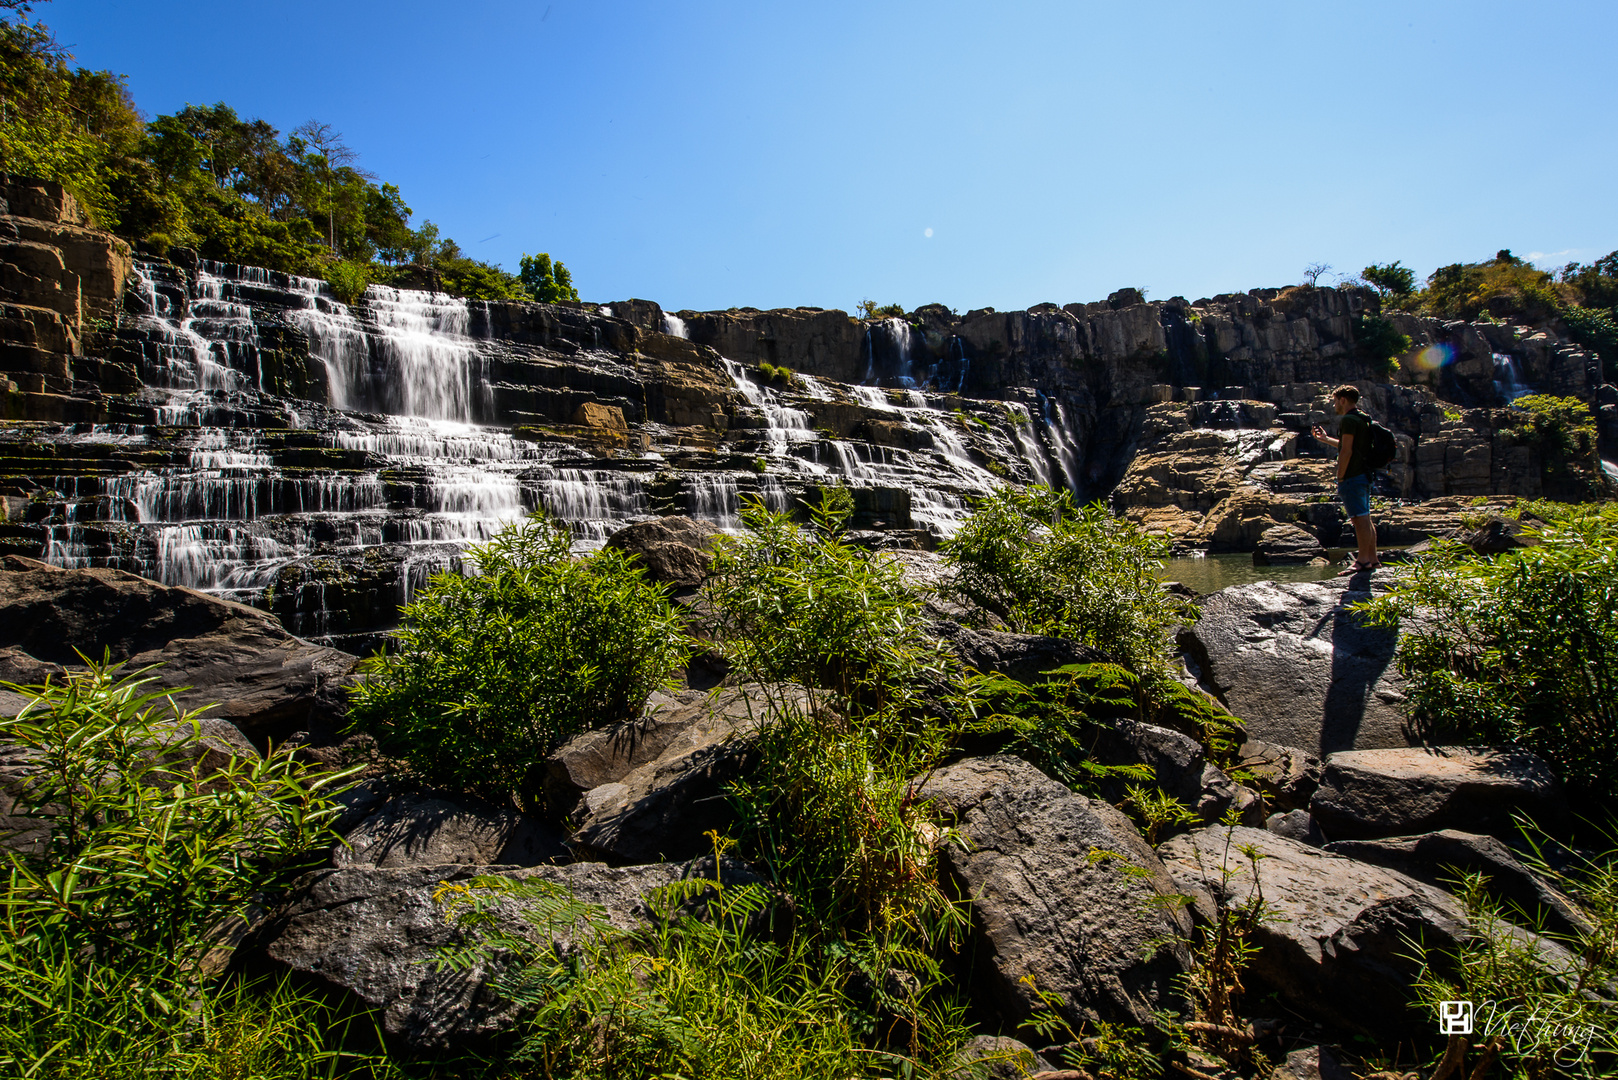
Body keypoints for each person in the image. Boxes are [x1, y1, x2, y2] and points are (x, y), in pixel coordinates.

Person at [1312, 384, 1380, 574]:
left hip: (1353, 476)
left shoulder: (1348, 420)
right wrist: (1326, 440)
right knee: (1366, 518)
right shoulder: (1362, 418)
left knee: (1359, 520)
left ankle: (1362, 561)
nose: (1334, 405)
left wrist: (1340, 476)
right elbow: (1349, 445)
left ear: (1342, 400)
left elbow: (1346, 451)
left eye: (1335, 401)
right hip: (1365, 475)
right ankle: (1373, 559)